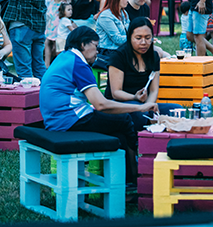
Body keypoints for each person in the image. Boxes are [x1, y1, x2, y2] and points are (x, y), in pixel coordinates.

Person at [39, 26, 156, 186]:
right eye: (95, 46)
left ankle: (122, 182)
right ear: (83, 45)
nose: (97, 52)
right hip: (69, 120)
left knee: (120, 134)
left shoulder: (64, 57)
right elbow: (101, 104)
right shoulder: (79, 64)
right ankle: (135, 177)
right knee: (125, 120)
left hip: (57, 119)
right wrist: (140, 107)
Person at [105, 17, 180, 130]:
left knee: (176, 110)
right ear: (130, 37)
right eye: (138, 38)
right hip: (120, 103)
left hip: (142, 104)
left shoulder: (153, 56)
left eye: (148, 38)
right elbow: (116, 92)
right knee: (139, 115)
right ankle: (138, 142)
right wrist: (135, 98)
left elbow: (154, 90)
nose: (143, 42)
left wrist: (148, 106)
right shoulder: (118, 56)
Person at [95, 0, 130, 65]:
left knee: (154, 51)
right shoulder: (105, 16)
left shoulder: (124, 13)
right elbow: (117, 40)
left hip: (122, 49)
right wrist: (135, 39)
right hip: (108, 52)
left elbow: (130, 31)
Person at [44, 0, 67, 67]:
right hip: (52, 21)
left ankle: (49, 64)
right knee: (49, 43)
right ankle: (47, 64)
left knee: (52, 43)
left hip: (55, 22)